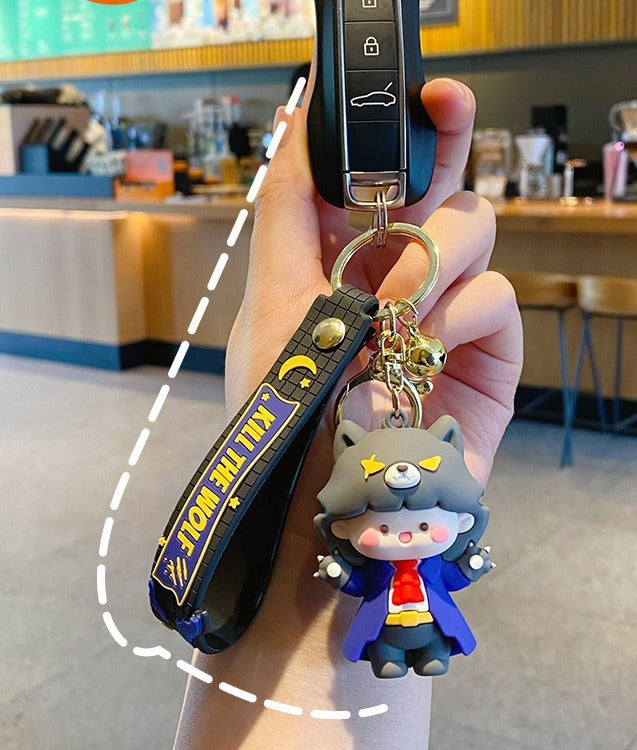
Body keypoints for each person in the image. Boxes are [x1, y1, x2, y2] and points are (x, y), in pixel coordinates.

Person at [173, 68, 523, 749]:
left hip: (399, 624)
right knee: (390, 647)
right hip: (367, 622)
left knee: (422, 641)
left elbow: (455, 560)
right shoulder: (360, 509)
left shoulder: (427, 520)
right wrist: (292, 440)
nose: (406, 532)